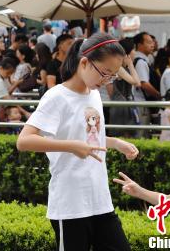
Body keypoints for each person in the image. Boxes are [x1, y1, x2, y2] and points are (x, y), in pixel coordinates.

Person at [17, 33, 139, 251]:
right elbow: (24, 140)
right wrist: (72, 146)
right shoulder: (57, 96)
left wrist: (116, 143)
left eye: (112, 76)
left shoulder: (94, 94)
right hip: (70, 204)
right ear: (84, 63)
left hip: (99, 200)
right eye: (105, 73)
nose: (106, 81)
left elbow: (89, 137)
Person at [108, 38, 141, 138]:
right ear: (127, 53)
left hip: (124, 106)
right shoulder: (119, 68)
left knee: (127, 136)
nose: (135, 52)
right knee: (124, 136)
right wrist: (131, 64)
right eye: (134, 50)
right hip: (121, 108)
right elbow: (137, 83)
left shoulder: (122, 68)